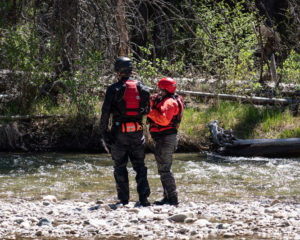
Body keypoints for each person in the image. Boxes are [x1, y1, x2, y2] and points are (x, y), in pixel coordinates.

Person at [99, 56, 151, 207]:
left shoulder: (113, 89)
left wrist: (104, 134)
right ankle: (144, 198)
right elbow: (147, 110)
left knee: (120, 166)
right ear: (131, 69)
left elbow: (105, 114)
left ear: (118, 71)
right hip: (137, 133)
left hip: (118, 134)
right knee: (140, 166)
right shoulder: (144, 88)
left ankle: (123, 199)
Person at [147, 77, 184, 206]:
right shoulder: (167, 99)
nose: (158, 90)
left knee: (164, 169)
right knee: (163, 168)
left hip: (166, 139)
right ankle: (167, 197)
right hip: (165, 138)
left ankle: (173, 199)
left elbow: (164, 121)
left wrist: (149, 112)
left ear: (165, 89)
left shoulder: (169, 103)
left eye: (160, 88)